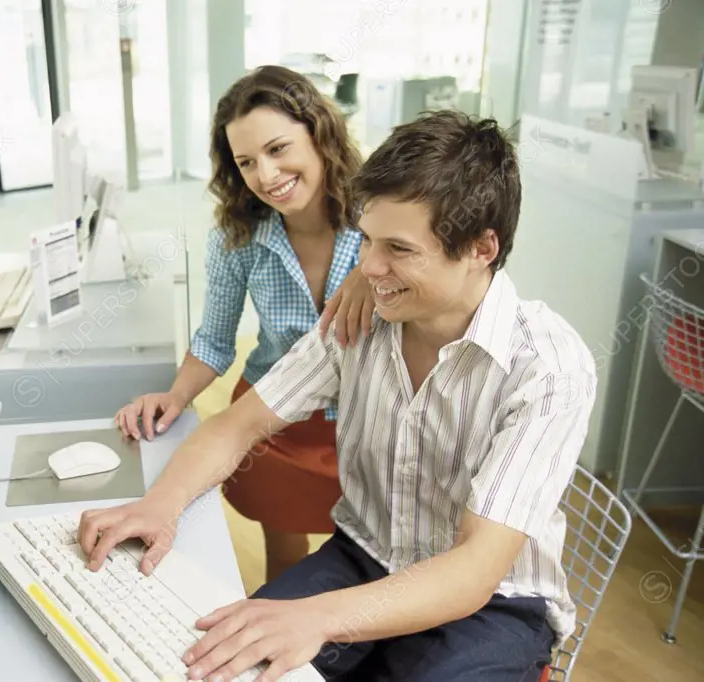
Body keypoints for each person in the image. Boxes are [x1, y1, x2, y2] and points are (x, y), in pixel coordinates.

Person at [82, 110, 596, 681]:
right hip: (362, 556)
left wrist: (317, 620)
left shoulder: (547, 368)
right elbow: (237, 426)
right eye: (368, 240)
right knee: (221, 663)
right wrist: (161, 505)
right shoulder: (361, 316)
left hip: (495, 603)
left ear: (481, 247)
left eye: (397, 249)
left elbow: (475, 569)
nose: (367, 266)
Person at [114, 64, 375, 582]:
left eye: (279, 149)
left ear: (318, 133)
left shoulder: (380, 220)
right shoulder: (238, 238)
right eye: (247, 162)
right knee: (284, 556)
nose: (267, 176)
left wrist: (374, 266)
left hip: (370, 422)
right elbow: (214, 339)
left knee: (373, 559)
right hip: (273, 418)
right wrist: (177, 397)